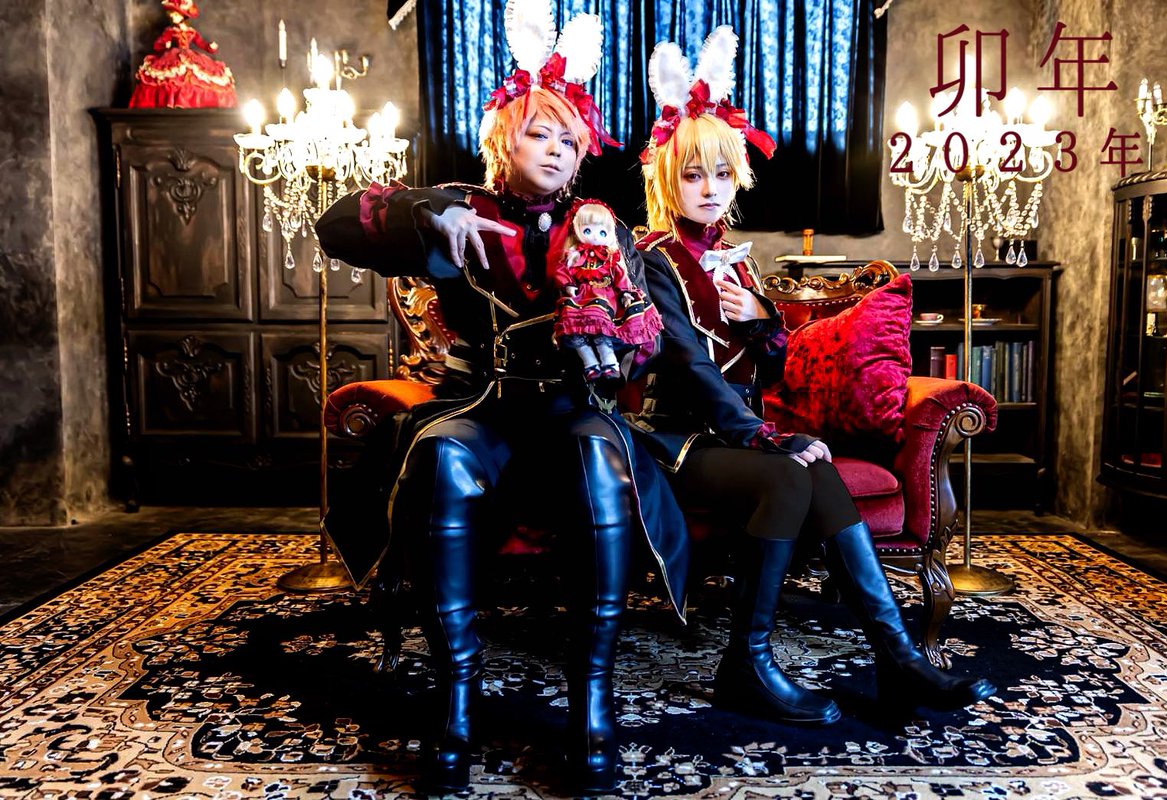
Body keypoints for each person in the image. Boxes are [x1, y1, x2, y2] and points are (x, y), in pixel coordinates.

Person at [314, 5, 687, 794]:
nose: (555, 150)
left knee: (598, 458)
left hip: (573, 412)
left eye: (569, 141)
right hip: (480, 407)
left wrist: (617, 334)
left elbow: (645, 343)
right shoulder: (456, 207)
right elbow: (334, 225)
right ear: (500, 141)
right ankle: (455, 700)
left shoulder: (601, 227)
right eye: (538, 134)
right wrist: (425, 213)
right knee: (438, 456)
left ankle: (591, 703)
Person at [632, 26, 997, 725]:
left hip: (732, 437)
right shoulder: (651, 258)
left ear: (737, 179)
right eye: (693, 174)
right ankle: (748, 665)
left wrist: (761, 319)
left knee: (816, 471)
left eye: (721, 175)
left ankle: (897, 660)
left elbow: (772, 366)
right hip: (674, 440)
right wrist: (767, 437)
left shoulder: (736, 262)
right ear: (666, 179)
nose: (709, 189)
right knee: (791, 473)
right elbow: (685, 364)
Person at [551, 199, 663, 381]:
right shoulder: (575, 255)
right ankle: (590, 363)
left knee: (603, 333)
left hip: (604, 298)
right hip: (581, 298)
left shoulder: (610, 258)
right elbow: (562, 271)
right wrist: (568, 284)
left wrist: (625, 292)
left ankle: (610, 362)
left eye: (602, 232)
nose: (595, 237)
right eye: (587, 231)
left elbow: (620, 275)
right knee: (575, 332)